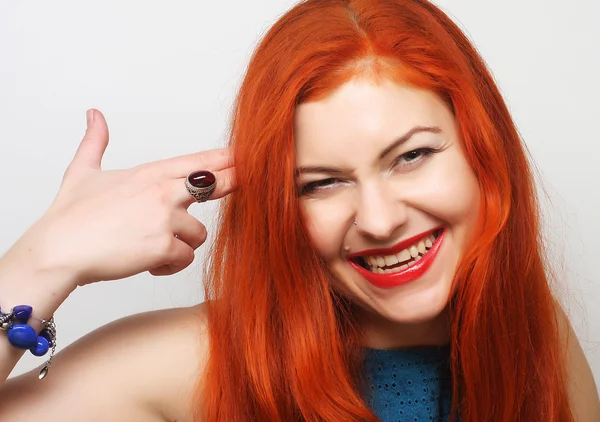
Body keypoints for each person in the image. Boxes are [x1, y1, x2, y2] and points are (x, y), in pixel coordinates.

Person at [0, 0, 599, 421]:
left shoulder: (531, 328)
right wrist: (45, 260)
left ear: (482, 149)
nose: (381, 219)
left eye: (412, 155)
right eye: (320, 184)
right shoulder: (198, 363)